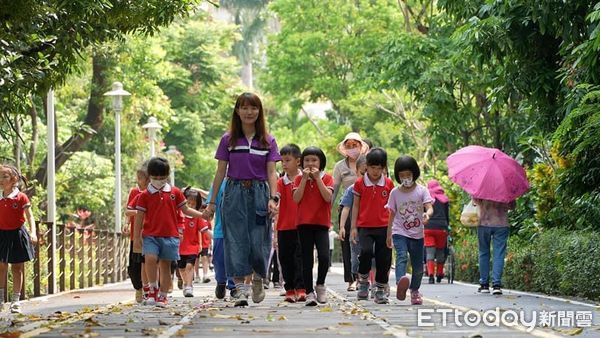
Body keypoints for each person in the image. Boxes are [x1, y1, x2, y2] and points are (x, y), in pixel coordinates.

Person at [204, 92, 281, 307]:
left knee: (259, 240)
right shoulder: (228, 140)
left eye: (253, 108)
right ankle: (239, 290)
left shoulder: (268, 140)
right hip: (234, 192)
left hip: (259, 193)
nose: (249, 112)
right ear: (237, 111)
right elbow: (220, 172)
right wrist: (211, 203)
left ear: (260, 111)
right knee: (235, 240)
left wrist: (274, 198)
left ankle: (258, 277)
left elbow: (272, 172)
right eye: (244, 107)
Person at [133, 157, 207, 307]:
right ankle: (152, 289)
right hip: (150, 235)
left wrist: (201, 214)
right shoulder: (144, 195)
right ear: (150, 176)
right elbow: (139, 217)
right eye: (155, 178)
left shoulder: (175, 192)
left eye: (162, 177)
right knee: (150, 259)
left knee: (166, 266)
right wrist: (136, 238)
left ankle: (163, 295)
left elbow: (185, 209)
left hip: (170, 236)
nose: (159, 180)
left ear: (167, 176)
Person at [386, 156, 433, 305]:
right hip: (399, 231)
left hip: (417, 234)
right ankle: (401, 283)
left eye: (408, 175)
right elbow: (391, 214)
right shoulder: (394, 193)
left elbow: (429, 207)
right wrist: (389, 235)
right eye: (402, 176)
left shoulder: (421, 190)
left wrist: (427, 214)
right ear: (398, 176)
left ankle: (414, 291)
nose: (405, 178)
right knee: (401, 256)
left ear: (414, 174)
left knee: (418, 267)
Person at [349, 148, 395, 304]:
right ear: (366, 166)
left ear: (384, 168)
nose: (375, 172)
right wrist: (353, 227)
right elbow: (355, 206)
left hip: (384, 227)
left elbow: (393, 208)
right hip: (365, 226)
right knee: (366, 252)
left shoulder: (388, 184)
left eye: (379, 168)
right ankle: (363, 282)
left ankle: (380, 289)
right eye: (372, 167)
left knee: (384, 259)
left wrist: (392, 230)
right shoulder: (359, 183)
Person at [332, 132, 369, 290]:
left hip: (367, 207)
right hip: (347, 206)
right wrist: (327, 211)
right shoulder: (340, 166)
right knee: (347, 242)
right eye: (349, 145)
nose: (352, 148)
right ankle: (351, 279)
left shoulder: (368, 162)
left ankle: (365, 276)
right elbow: (333, 189)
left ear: (361, 147)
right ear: (344, 148)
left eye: (355, 145)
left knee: (365, 243)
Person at [0, 164, 37, 314]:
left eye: (5, 176)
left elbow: (30, 216)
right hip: (1, 234)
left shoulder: (21, 197)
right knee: (1, 267)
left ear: (14, 179)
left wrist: (33, 233)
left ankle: (15, 301)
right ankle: (1, 300)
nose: (1, 180)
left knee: (17, 268)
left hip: (17, 234)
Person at [473, 198, 515, 295]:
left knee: (483, 252)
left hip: (484, 223)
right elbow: (512, 206)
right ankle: (496, 285)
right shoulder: (506, 187)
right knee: (499, 254)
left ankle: (484, 285)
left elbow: (475, 201)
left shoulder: (481, 185)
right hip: (501, 224)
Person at [338, 155, 367, 291]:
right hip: (355, 227)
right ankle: (355, 278)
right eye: (363, 173)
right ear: (356, 172)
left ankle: (369, 281)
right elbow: (346, 208)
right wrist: (342, 226)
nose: (366, 176)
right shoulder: (352, 189)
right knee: (354, 256)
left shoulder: (376, 188)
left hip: (370, 228)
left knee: (369, 254)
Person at [124, 161, 150, 303]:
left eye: (140, 178)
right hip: (136, 235)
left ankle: (150, 290)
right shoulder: (135, 192)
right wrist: (127, 223)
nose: (138, 181)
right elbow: (128, 211)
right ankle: (139, 289)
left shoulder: (155, 193)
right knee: (135, 265)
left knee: (149, 263)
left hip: (151, 235)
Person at [206, 180, 236, 299]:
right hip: (220, 229)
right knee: (218, 258)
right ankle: (221, 282)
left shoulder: (243, 182)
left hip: (237, 230)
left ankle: (234, 285)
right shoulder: (218, 184)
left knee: (235, 258)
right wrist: (209, 212)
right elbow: (211, 204)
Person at [178, 187, 209, 297]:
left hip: (192, 247)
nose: (190, 206)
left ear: (197, 205)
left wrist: (215, 237)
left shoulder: (197, 217)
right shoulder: (178, 215)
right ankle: (186, 283)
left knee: (189, 266)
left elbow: (205, 230)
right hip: (179, 247)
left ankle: (189, 286)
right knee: (181, 269)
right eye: (188, 203)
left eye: (193, 204)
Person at [425, 180, 450, 284]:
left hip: (428, 228)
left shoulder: (426, 198)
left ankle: (431, 275)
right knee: (440, 250)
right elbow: (447, 215)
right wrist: (447, 225)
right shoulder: (444, 199)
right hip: (441, 228)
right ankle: (439, 274)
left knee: (430, 252)